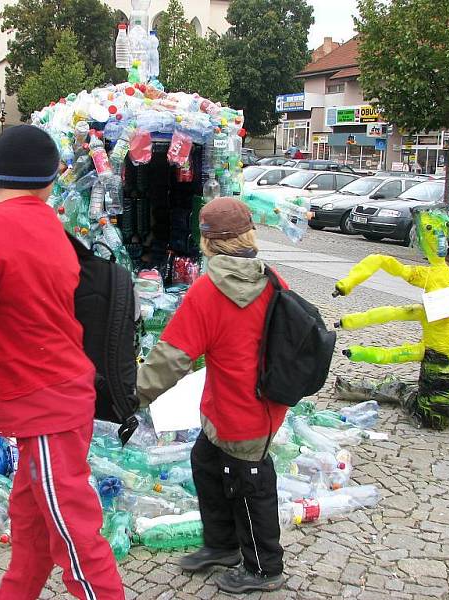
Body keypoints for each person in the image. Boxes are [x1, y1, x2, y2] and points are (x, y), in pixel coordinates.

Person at [0, 125, 124, 600]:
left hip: (43, 405)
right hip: (62, 394)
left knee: (72, 527)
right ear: (52, 180)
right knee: (32, 518)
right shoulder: (55, 231)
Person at [137, 197, 287, 595]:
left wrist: (130, 396)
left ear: (207, 242)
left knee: (249, 482)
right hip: (243, 404)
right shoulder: (272, 279)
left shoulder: (208, 291)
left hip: (244, 410)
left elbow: (172, 358)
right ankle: (222, 545)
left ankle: (264, 568)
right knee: (206, 462)